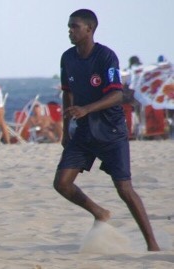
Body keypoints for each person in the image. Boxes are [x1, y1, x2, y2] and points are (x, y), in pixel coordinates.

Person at [54, 9, 160, 251]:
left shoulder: (105, 56)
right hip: (82, 131)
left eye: (75, 26)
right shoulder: (67, 58)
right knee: (62, 184)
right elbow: (67, 94)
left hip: (111, 131)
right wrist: (65, 130)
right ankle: (99, 212)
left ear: (89, 29)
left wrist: (87, 109)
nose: (70, 31)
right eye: (69, 26)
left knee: (124, 188)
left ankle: (152, 245)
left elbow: (118, 94)